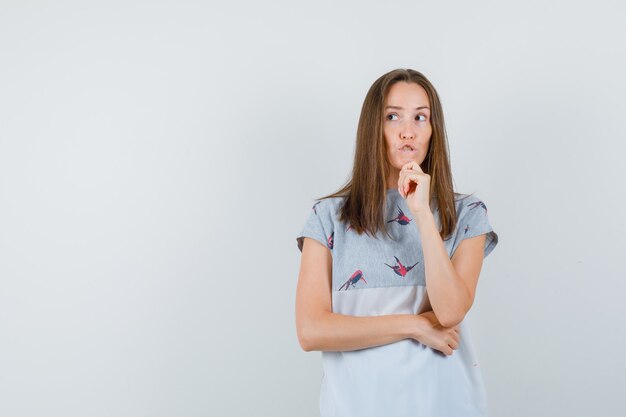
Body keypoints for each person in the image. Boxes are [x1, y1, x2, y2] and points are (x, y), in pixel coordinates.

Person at [294, 68, 499, 417]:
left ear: (434, 131)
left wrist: (421, 212)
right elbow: (311, 330)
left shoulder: (467, 214)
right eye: (393, 117)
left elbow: (450, 311)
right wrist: (415, 325)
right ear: (373, 128)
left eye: (421, 117)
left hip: (443, 404)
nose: (408, 131)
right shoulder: (328, 217)